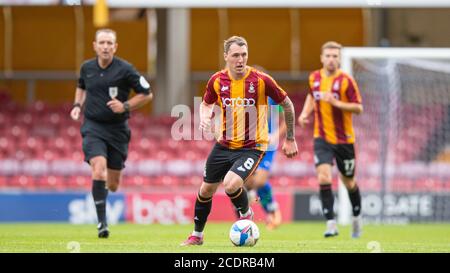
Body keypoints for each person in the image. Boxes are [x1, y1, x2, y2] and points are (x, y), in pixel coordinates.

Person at [181, 36, 298, 246]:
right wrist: (206, 117)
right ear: (226, 56)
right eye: (235, 55)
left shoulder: (262, 80)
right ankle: (197, 236)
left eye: (244, 55)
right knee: (205, 190)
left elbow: (287, 104)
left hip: (252, 147)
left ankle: (246, 214)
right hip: (224, 145)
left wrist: (289, 138)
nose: (240, 59)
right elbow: (206, 103)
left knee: (230, 183)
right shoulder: (217, 80)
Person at [70, 28, 153, 238]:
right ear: (95, 46)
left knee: (113, 184)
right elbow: (81, 87)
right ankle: (102, 223)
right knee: (98, 170)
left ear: (115, 47)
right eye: (102, 43)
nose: (105, 46)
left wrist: (125, 106)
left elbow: (147, 94)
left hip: (117, 130)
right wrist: (77, 105)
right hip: (93, 127)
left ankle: (105, 197)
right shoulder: (86, 68)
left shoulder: (126, 69)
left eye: (109, 43)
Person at [298, 41, 363, 238]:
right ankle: (331, 223)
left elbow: (359, 108)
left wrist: (336, 102)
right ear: (322, 58)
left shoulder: (346, 81)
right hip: (322, 138)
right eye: (328, 56)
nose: (331, 59)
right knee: (324, 176)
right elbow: (312, 96)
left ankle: (357, 218)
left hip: (345, 140)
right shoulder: (314, 77)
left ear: (340, 59)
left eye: (335, 56)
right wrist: (304, 113)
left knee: (349, 182)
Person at [245, 96, 286, 230]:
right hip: (250, 144)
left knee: (260, 182)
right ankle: (267, 210)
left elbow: (287, 116)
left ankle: (272, 209)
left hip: (268, 145)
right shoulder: (244, 94)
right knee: (249, 182)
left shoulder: (272, 98)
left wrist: (276, 134)